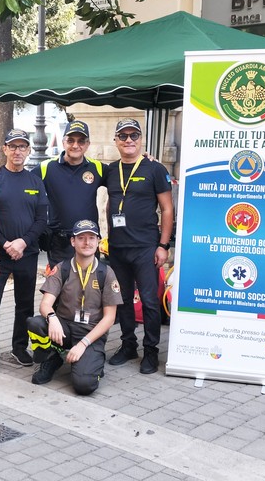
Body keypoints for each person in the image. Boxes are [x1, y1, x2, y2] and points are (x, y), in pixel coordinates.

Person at [104, 118, 174, 375]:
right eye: (123, 136)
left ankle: (151, 351)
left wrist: (163, 245)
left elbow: (167, 209)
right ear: (116, 141)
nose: (129, 140)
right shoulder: (110, 170)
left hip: (146, 246)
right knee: (121, 300)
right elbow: (81, 172)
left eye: (134, 135)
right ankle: (128, 345)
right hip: (118, 247)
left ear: (141, 139)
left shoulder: (155, 169)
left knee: (149, 301)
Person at [0, 129, 48, 372]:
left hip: (26, 254)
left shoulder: (34, 180)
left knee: (24, 306)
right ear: (4, 149)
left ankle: (19, 347)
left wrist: (23, 242)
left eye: (22, 147)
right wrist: (7, 243)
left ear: (28, 151)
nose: (18, 151)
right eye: (13, 146)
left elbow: (42, 219)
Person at [27, 220, 122, 394]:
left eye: (91, 238)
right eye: (81, 238)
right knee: (36, 323)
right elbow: (45, 304)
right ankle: (52, 357)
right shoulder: (62, 269)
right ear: (73, 242)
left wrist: (83, 344)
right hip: (64, 328)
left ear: (98, 241)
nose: (87, 242)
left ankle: (92, 364)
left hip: (90, 333)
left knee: (84, 386)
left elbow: (110, 318)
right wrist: (52, 318)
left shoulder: (106, 273)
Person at [35, 120, 106, 267]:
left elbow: (124, 175)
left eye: (81, 141)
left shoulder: (97, 168)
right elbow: (19, 178)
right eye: (70, 140)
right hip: (59, 243)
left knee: (90, 288)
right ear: (63, 142)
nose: (75, 145)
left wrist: (146, 162)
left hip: (88, 241)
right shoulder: (46, 168)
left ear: (88, 144)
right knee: (60, 288)